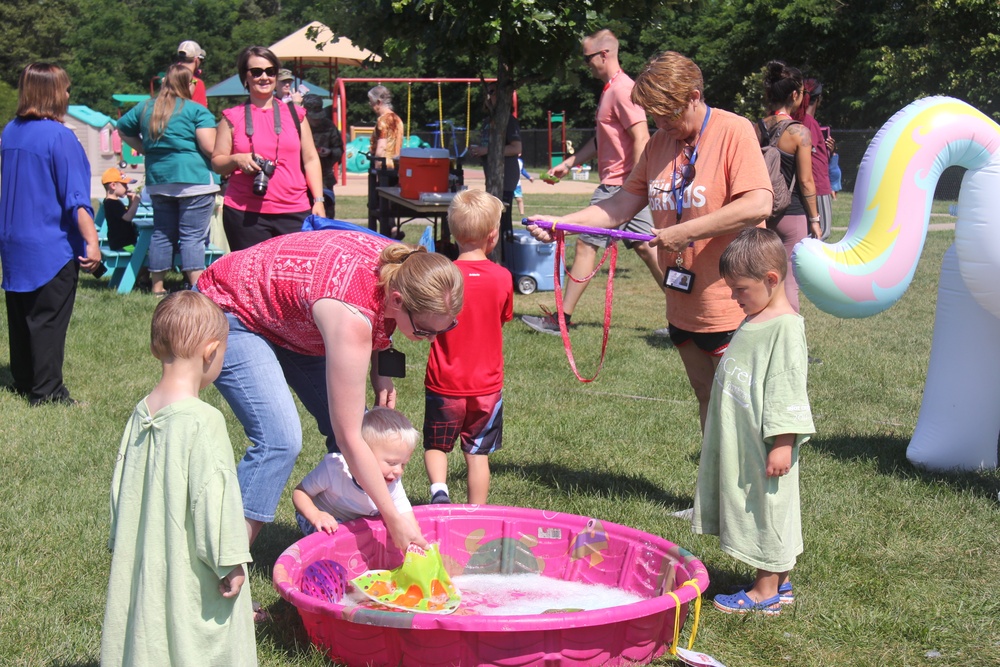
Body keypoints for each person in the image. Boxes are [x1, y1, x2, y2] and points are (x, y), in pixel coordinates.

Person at [527, 51, 772, 431]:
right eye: (654, 115)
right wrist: (563, 223)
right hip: (684, 302)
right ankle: (712, 486)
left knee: (739, 407)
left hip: (731, 301)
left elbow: (758, 203)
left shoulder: (733, 131)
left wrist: (687, 231)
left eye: (668, 113)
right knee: (706, 396)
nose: (659, 123)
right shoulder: (660, 144)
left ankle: (745, 488)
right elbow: (620, 204)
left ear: (694, 96)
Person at [197, 230, 463, 553]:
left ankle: (341, 541)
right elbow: (349, 436)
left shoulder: (406, 266)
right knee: (280, 440)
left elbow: (379, 309)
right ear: (398, 301)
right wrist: (393, 518)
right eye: (424, 331)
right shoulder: (351, 316)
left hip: (290, 319)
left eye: (446, 328)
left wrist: (382, 367)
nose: (431, 340)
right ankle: (223, 563)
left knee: (369, 437)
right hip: (233, 308)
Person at [101, 291, 256, 665]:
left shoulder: (140, 413)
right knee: (192, 635)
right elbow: (214, 499)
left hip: (145, 555)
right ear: (211, 352)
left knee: (151, 631)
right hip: (191, 565)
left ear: (158, 348)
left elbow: (120, 486)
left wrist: (120, 540)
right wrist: (230, 561)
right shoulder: (204, 421)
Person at [691, 227, 815, 615]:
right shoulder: (758, 315)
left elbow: (788, 390)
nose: (734, 297)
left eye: (740, 289)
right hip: (743, 442)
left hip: (765, 446)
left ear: (772, 280)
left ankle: (765, 592)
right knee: (759, 506)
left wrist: (783, 442)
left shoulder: (785, 328)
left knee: (767, 510)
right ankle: (781, 579)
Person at [523, 29, 666, 336]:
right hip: (623, 186)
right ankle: (686, 317)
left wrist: (634, 184)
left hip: (619, 187)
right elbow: (603, 140)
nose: (585, 65)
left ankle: (561, 319)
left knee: (587, 244)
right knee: (650, 249)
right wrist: (570, 164)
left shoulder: (623, 90)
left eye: (587, 58)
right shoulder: (610, 89)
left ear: (604, 54)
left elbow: (641, 136)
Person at [0, 63, 101, 406]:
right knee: (48, 320)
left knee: (21, 314)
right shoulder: (60, 136)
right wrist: (92, 241)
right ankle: (48, 392)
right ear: (53, 93)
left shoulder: (11, 131)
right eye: (66, 88)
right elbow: (75, 198)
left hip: (14, 241)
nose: (69, 95)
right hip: (49, 243)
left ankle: (24, 378)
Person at [422, 190, 513, 505]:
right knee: (478, 454)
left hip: (445, 381)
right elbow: (503, 317)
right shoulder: (502, 278)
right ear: (493, 236)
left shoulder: (443, 278)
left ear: (451, 232)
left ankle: (439, 492)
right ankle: (477, 512)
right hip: (486, 386)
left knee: (436, 445)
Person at [118, 64, 219, 296]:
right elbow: (209, 147)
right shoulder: (196, 111)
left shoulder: (145, 108)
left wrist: (144, 149)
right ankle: (196, 288)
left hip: (159, 180)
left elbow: (122, 128)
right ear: (187, 84)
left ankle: (157, 286)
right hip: (194, 180)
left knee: (162, 233)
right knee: (193, 236)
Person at [211, 46, 325, 252]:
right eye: (256, 72)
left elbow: (311, 159)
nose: (264, 77)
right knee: (251, 278)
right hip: (244, 212)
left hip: (295, 209)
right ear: (245, 77)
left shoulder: (296, 114)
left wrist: (318, 200)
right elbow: (217, 162)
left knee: (292, 276)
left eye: (270, 71)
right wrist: (237, 159)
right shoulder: (231, 117)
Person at [293, 407, 419, 535]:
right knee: (335, 535)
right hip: (320, 518)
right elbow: (300, 493)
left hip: (353, 522)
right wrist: (315, 514)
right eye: (391, 463)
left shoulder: (393, 483)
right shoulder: (335, 469)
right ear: (364, 454)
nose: (398, 471)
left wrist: (416, 541)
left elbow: (406, 517)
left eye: (403, 464)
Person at [758, 61, 822, 312]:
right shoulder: (799, 133)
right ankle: (793, 346)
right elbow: (806, 181)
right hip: (792, 215)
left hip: (764, 213)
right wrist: (814, 220)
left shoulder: (757, 128)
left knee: (765, 279)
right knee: (789, 283)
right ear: (795, 95)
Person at [468, 83, 521, 250]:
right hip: (491, 178)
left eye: (492, 92)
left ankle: (506, 259)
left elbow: (516, 148)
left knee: (502, 221)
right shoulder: (487, 121)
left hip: (505, 178)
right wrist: (479, 151)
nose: (488, 96)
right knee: (492, 220)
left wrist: (486, 150)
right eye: (486, 92)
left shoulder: (508, 121)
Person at [801, 78, 834, 240]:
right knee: (822, 232)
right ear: (818, 99)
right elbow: (806, 153)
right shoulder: (809, 123)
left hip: (811, 186)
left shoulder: (803, 121)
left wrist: (828, 151)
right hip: (817, 186)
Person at [302, 93, 345, 199]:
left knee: (326, 210)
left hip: (324, 177)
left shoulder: (328, 126)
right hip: (301, 177)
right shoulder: (297, 126)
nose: (317, 120)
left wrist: (330, 152)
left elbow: (339, 149)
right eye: (313, 117)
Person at [101, 168, 140, 252]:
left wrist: (131, 201)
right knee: (142, 254)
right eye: (124, 185)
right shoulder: (112, 203)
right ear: (113, 185)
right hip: (123, 244)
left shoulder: (111, 202)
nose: (127, 187)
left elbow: (124, 216)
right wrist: (136, 202)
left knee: (142, 253)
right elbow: (128, 217)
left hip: (121, 243)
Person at [368, 85, 404, 170]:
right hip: (397, 165)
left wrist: (377, 167)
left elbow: (382, 147)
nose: (370, 105)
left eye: (371, 102)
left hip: (384, 166)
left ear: (378, 102)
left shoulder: (382, 120)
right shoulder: (398, 119)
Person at [176, 40, 208, 107]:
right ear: (196, 59)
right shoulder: (196, 82)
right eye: (200, 59)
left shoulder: (169, 79)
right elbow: (201, 113)